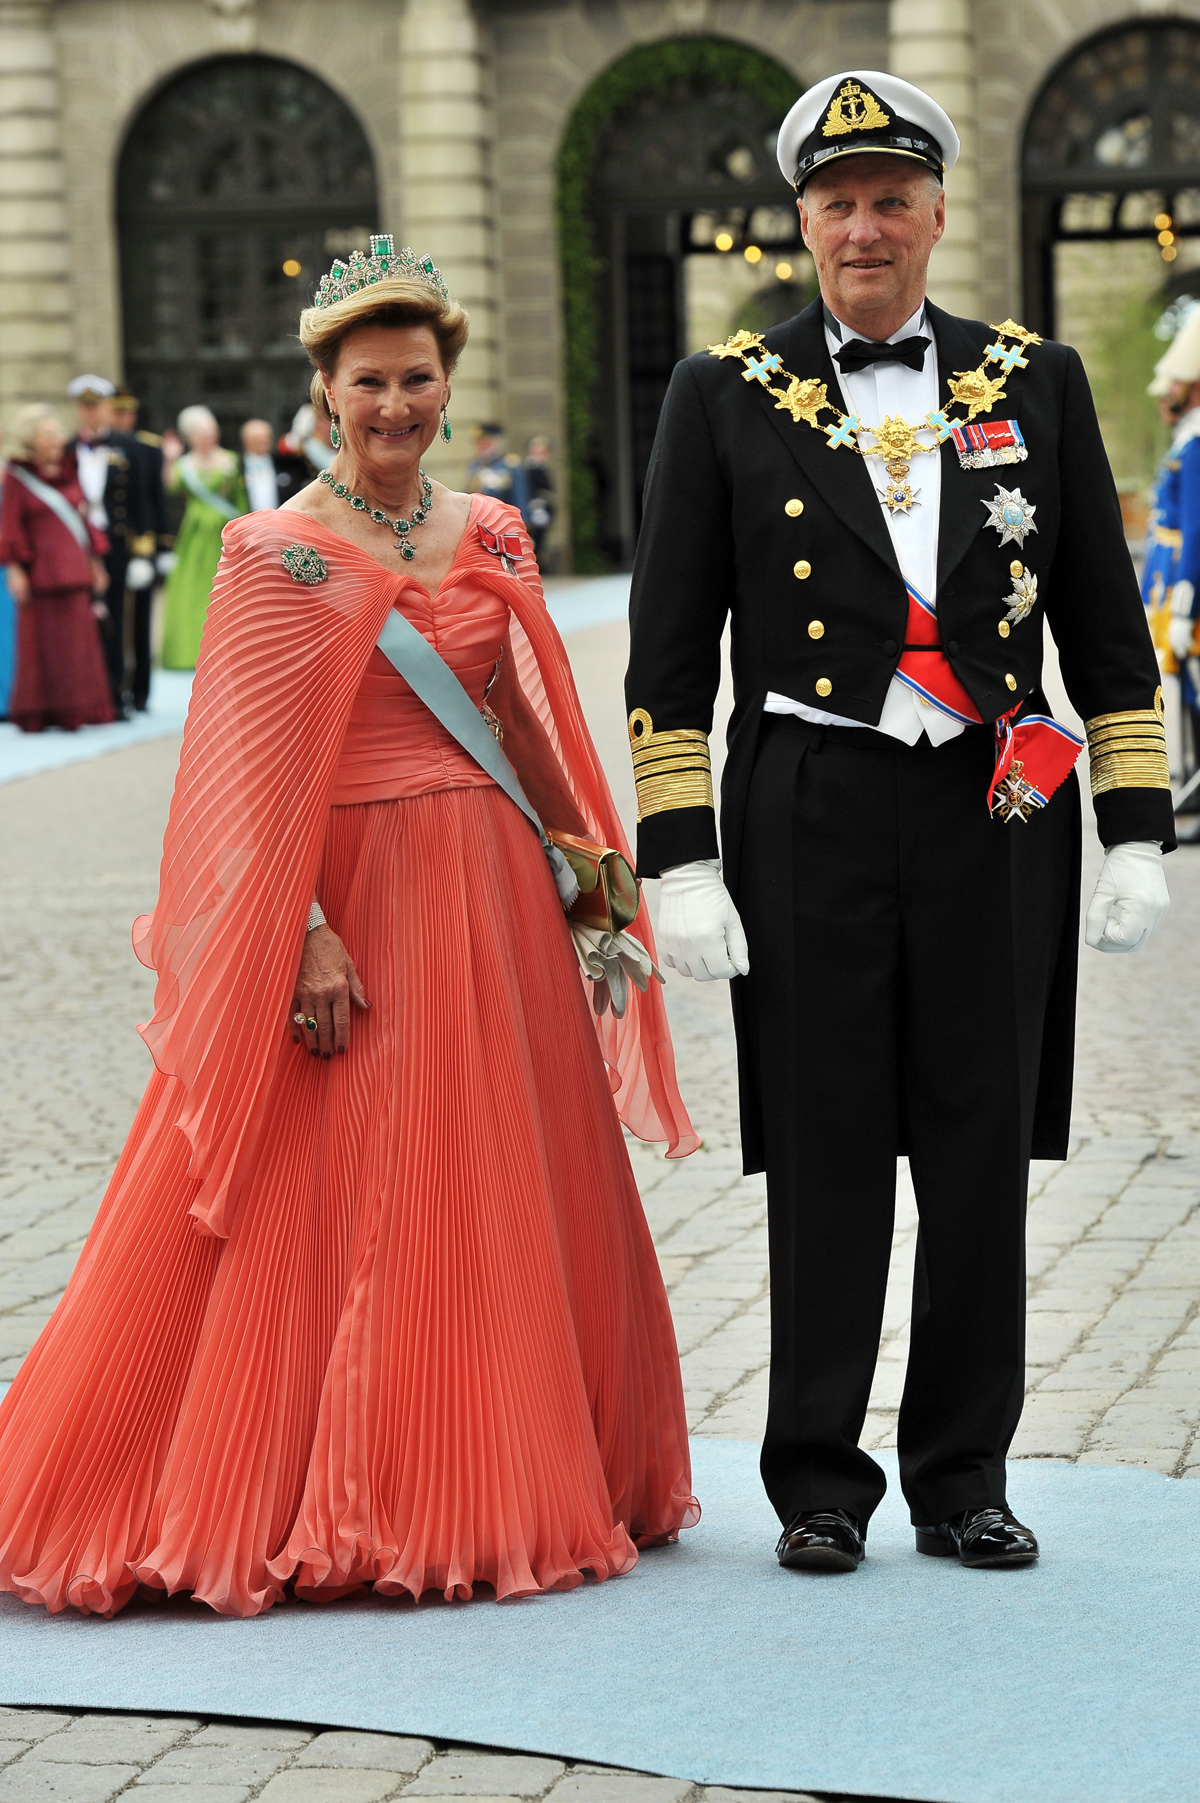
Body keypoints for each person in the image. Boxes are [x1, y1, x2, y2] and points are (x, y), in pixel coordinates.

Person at [0, 239, 697, 1617]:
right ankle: (358, 1481)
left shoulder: (494, 527)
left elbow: (524, 714)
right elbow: (244, 770)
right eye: (369, 380)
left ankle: (520, 1451)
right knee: (350, 1196)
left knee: (499, 1174)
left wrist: (592, 861)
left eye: (418, 379)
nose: (397, 404)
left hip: (494, 890)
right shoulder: (275, 552)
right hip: (355, 889)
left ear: (449, 382)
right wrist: (302, 926)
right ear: (326, 389)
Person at [625, 69, 1174, 1577]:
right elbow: (668, 658)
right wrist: (680, 862)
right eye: (836, 203)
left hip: (993, 804)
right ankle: (816, 1471)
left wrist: (1135, 825)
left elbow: (1109, 637)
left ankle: (960, 1470)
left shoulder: (1032, 380)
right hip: (811, 801)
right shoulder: (722, 392)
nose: (864, 228)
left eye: (891, 200)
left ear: (937, 213)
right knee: (822, 1142)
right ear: (801, 224)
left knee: (979, 1144)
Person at [0, 405, 113, 733]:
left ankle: (78, 711)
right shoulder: (18, 478)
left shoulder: (69, 471)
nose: (58, 439)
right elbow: (10, 529)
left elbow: (84, 520)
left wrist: (96, 563)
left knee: (77, 648)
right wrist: (15, 570)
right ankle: (43, 713)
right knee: (41, 649)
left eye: (58, 433)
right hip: (40, 575)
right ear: (31, 440)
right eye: (49, 434)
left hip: (74, 571)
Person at [66, 374, 153, 716]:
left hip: (118, 544)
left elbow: (141, 502)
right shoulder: (68, 449)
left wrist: (145, 553)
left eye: (96, 406)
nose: (90, 414)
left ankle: (117, 693)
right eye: (84, 407)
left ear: (106, 408)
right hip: (80, 547)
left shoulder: (128, 446)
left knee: (118, 621)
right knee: (83, 621)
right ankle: (88, 693)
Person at [160, 405, 248, 669]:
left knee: (226, 592)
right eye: (202, 433)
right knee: (192, 592)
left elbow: (241, 502)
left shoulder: (231, 460)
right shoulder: (184, 465)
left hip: (225, 536)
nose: (209, 437)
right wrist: (169, 459)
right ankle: (188, 653)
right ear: (191, 437)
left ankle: (226, 653)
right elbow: (171, 485)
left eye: (212, 432)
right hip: (195, 539)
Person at [110, 387, 173, 713]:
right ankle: (115, 687)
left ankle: (140, 690)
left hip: (141, 546)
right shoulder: (101, 446)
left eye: (126, 413)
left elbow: (156, 499)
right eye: (117, 412)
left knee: (141, 623)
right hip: (112, 547)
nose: (122, 418)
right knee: (114, 621)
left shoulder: (148, 447)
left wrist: (162, 546)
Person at [238, 417, 311, 510]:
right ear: (246, 442)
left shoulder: (286, 464)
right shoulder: (236, 467)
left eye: (266, 437)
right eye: (257, 439)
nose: (263, 442)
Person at [467, 422, 529, 513]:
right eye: (478, 443)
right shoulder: (474, 465)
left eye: (484, 442)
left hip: (503, 519)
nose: (480, 446)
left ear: (495, 442)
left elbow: (519, 497)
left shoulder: (509, 464)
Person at [522, 434, 555, 564]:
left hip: (542, 509)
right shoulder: (528, 469)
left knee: (540, 540)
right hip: (531, 509)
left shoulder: (543, 468)